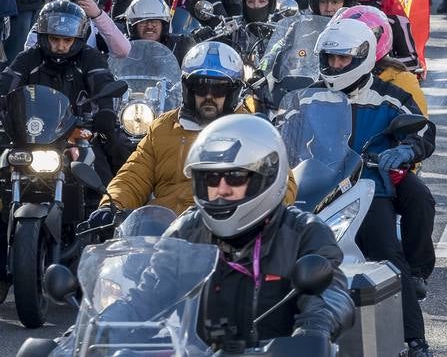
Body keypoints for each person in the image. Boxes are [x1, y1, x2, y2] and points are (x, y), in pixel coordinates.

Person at [117, 114, 352, 346]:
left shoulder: (304, 232)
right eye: (210, 179)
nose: (221, 190)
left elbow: (331, 295)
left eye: (235, 178)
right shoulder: (187, 232)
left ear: (267, 176)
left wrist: (313, 331)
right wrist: (102, 327)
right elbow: (146, 297)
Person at [314, 17, 436, 357]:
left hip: (368, 189)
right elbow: (283, 131)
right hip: (314, 190)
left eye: (343, 59)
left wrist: (407, 149)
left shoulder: (389, 97)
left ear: (364, 57)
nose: (335, 66)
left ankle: (415, 340)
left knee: (388, 255)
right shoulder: (309, 95)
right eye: (330, 58)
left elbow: (423, 129)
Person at [88, 42, 297, 226]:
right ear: (187, 88)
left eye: (218, 90)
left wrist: (248, 212)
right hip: (161, 235)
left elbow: (282, 185)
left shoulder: (252, 130)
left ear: (233, 92)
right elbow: (133, 176)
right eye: (199, 87)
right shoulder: (163, 127)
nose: (208, 96)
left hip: (225, 233)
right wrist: (111, 206)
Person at [0, 0, 124, 181]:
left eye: (67, 40)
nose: (60, 45)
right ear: (44, 36)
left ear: (78, 38)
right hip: (32, 132)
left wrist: (105, 111)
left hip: (78, 131)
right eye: (54, 39)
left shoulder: (89, 57)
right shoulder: (29, 57)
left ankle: (115, 202)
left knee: (111, 155)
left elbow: (102, 81)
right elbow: (7, 82)